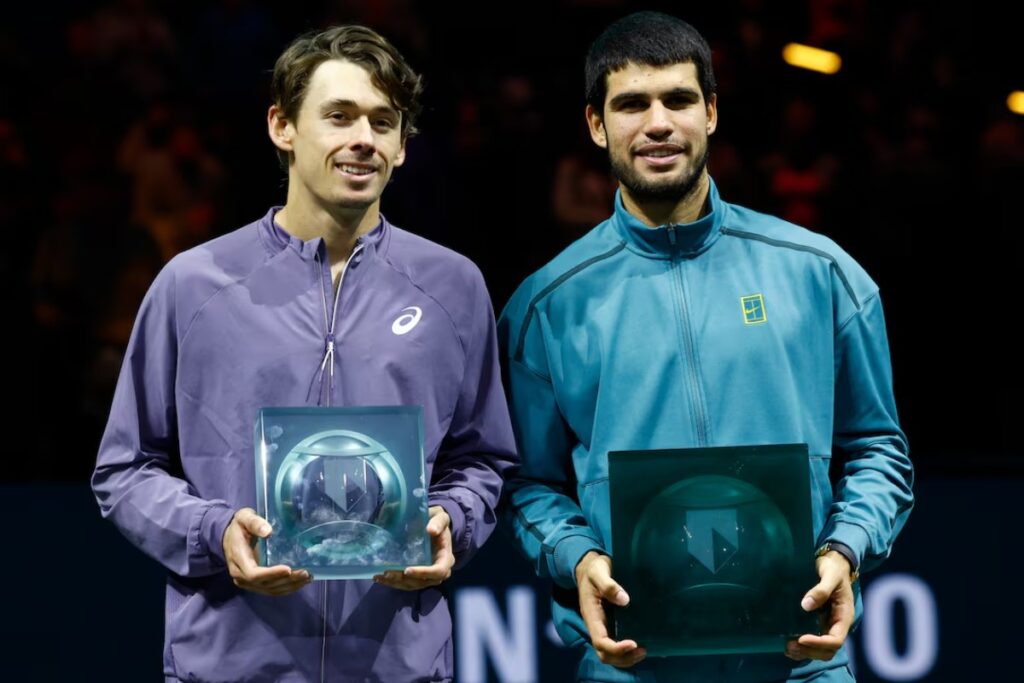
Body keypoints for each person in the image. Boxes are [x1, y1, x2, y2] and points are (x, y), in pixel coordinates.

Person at [498, 11, 913, 683]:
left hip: (799, 661)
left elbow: (877, 449)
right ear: (596, 125)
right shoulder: (546, 305)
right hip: (630, 663)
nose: (658, 123)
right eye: (631, 103)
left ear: (712, 111)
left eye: (679, 100)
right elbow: (528, 482)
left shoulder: (822, 274)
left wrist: (845, 548)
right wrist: (577, 557)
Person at [92, 24, 517, 682]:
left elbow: (483, 458)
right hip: (230, 665)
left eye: (384, 122)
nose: (363, 141)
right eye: (339, 116)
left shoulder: (453, 287)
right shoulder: (194, 285)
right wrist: (214, 531)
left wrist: (449, 523)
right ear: (282, 127)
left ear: (403, 146)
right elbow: (124, 470)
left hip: (396, 667)